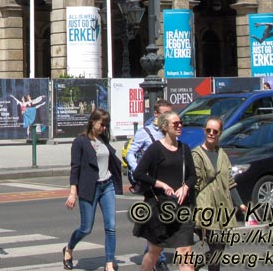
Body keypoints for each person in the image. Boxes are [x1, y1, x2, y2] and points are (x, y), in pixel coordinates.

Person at [131, 111, 197, 271]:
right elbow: (138, 173)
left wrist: (185, 187)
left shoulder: (184, 149)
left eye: (180, 122)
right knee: (154, 251)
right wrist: (160, 183)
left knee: (185, 251)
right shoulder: (155, 149)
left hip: (182, 207)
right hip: (160, 208)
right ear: (165, 127)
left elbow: (193, 176)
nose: (179, 125)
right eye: (175, 123)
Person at [63, 108, 124, 271]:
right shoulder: (80, 141)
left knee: (111, 226)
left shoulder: (103, 138)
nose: (104, 128)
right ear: (92, 122)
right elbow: (75, 168)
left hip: (107, 185)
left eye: (106, 125)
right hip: (90, 188)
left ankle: (109, 264)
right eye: (102, 124)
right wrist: (72, 193)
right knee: (86, 228)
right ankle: (69, 248)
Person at [191, 117, 245, 271]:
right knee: (215, 244)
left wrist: (240, 203)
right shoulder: (197, 154)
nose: (211, 133)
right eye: (208, 130)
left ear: (220, 133)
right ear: (204, 131)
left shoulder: (222, 154)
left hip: (222, 205)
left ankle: (195, 265)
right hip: (204, 204)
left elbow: (229, 181)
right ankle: (193, 265)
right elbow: (193, 184)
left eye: (215, 131)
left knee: (219, 247)